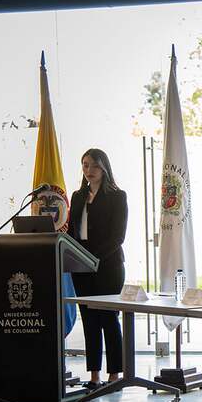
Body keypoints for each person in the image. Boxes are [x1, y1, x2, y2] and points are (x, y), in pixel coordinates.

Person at [68, 148, 127, 389]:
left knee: (108, 319)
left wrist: (93, 258)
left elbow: (117, 237)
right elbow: (73, 231)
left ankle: (114, 374)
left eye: (93, 165)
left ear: (104, 168)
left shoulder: (117, 196)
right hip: (80, 267)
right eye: (84, 165)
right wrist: (75, 256)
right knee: (89, 320)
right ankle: (94, 375)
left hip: (108, 266)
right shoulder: (78, 195)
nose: (88, 170)